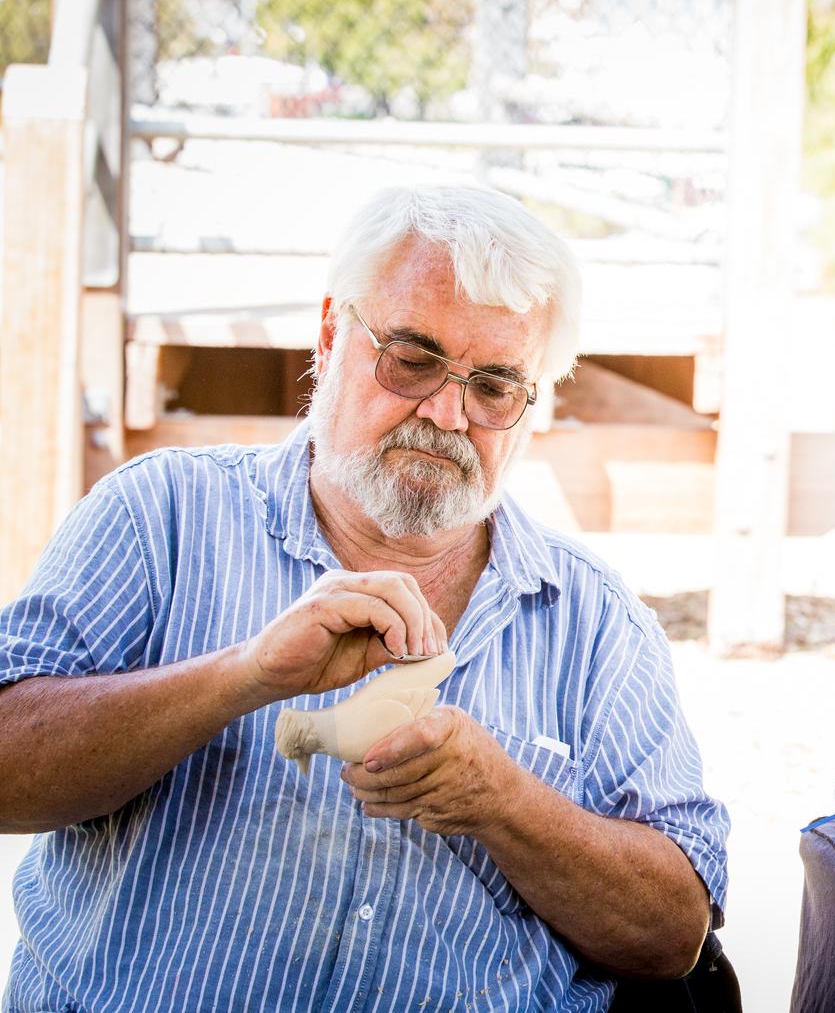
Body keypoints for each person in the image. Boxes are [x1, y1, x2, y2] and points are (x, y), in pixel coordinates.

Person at [0, 185, 729, 1012]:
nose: (447, 414)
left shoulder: (595, 623)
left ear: (534, 403)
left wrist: (501, 800)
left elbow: (676, 937)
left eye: (494, 385)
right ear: (329, 334)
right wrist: (244, 676)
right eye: (413, 359)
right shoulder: (159, 516)